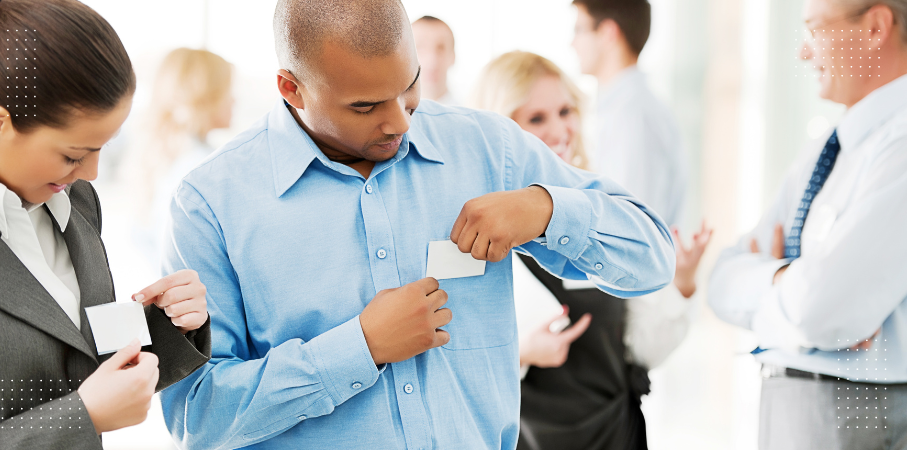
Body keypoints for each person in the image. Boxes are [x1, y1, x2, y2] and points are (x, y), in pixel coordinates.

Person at [158, 0, 676, 449]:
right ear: (291, 88)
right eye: (365, 106)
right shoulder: (210, 204)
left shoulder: (487, 148)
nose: (401, 122)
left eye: (409, 87)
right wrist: (357, 349)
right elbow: (196, 416)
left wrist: (545, 209)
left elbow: (652, 258)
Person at [0, 0, 212, 448]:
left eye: (103, 148)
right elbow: (80, 404)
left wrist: (168, 327)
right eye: (74, 155)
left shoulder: (72, 199)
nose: (92, 173)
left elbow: (74, 359)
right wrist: (83, 417)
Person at [471, 50, 711, 450]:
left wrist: (681, 284)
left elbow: (638, 350)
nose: (560, 129)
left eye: (566, 111)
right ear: (501, 130)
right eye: (536, 118)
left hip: (615, 434)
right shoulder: (477, 237)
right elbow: (447, 374)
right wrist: (522, 354)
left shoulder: (602, 219)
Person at [708, 0, 907, 448]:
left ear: (876, 27)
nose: (803, 52)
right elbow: (721, 282)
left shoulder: (901, 146)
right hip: (795, 404)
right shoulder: (827, 149)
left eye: (815, 30)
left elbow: (824, 309)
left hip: (856, 412)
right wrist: (787, 277)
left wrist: (788, 290)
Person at [572, 0, 687, 227]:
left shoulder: (632, 115)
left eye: (579, 30)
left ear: (607, 33)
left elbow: (631, 225)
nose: (572, 43)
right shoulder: (622, 108)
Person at [119, 47, 234, 270]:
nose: (234, 100)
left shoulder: (162, 157)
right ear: (206, 97)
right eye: (228, 89)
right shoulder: (202, 167)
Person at [411, 15, 459, 105]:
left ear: (453, 56)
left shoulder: (470, 114)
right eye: (420, 48)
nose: (432, 59)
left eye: (441, 48)